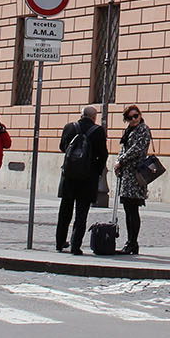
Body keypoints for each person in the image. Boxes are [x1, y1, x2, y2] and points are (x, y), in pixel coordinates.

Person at [56, 105, 108, 253]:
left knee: (64, 211)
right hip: (87, 178)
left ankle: (59, 243)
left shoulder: (69, 127)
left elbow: (62, 147)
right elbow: (103, 154)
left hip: (69, 176)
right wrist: (96, 172)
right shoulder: (98, 131)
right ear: (94, 117)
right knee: (81, 213)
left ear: (81, 114)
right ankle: (75, 246)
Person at [114, 105, 152, 254]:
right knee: (128, 209)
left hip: (136, 175)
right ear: (126, 119)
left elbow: (137, 149)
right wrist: (119, 164)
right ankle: (130, 242)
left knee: (133, 209)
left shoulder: (143, 129)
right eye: (130, 117)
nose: (134, 119)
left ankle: (133, 242)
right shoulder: (128, 130)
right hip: (127, 175)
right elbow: (123, 148)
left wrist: (121, 161)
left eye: (136, 116)